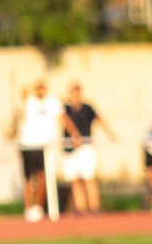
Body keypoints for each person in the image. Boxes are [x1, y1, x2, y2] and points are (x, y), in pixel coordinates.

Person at [61, 82, 116, 216]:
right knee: (75, 179)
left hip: (86, 146)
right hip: (70, 148)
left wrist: (110, 134)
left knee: (88, 177)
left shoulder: (88, 108)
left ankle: (94, 207)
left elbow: (99, 119)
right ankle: (81, 208)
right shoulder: (65, 109)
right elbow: (63, 120)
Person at [13, 79, 62, 221]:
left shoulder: (52, 101)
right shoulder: (30, 101)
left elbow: (61, 116)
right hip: (28, 144)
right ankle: (28, 208)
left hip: (44, 146)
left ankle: (38, 207)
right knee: (28, 178)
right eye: (38, 87)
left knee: (42, 177)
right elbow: (22, 91)